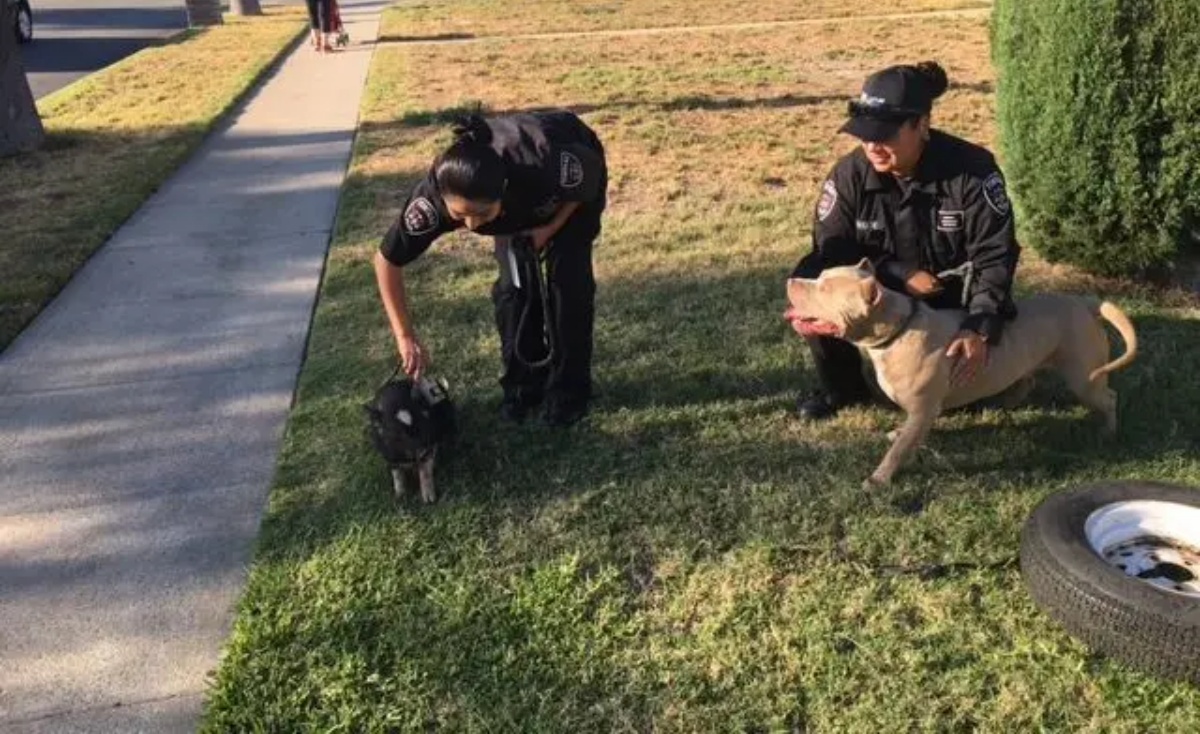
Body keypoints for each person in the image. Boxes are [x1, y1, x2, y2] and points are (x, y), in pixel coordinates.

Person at [786, 61, 1021, 421]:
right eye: (865, 134)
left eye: (886, 135)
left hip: (950, 298)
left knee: (969, 396)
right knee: (814, 273)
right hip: (878, 290)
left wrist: (980, 324)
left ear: (922, 125)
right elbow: (832, 248)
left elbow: (996, 255)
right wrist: (897, 273)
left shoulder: (973, 172)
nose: (873, 146)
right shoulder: (850, 174)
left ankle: (977, 382)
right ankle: (844, 389)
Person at [374, 111, 607, 427]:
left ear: (504, 191)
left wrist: (551, 227)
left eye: (482, 215)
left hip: (571, 183)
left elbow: (586, 181)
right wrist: (404, 336)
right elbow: (387, 260)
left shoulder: (545, 162)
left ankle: (570, 393)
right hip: (514, 209)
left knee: (568, 286)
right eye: (461, 215)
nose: (471, 225)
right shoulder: (434, 197)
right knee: (514, 291)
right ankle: (523, 388)